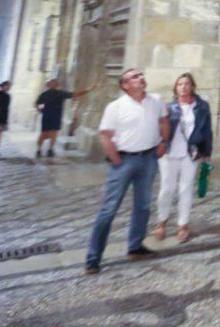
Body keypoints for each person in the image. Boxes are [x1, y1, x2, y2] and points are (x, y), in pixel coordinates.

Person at [84, 68, 169, 275]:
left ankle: (135, 246)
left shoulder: (156, 100)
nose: (140, 78)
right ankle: (93, 258)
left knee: (142, 205)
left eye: (141, 75)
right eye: (134, 77)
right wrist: (115, 158)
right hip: (124, 160)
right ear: (125, 85)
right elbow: (105, 135)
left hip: (148, 158)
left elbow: (164, 120)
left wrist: (164, 141)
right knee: (109, 209)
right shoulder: (116, 107)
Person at [154, 72, 212, 244]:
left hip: (191, 153)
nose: (183, 87)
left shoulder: (202, 107)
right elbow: (161, 129)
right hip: (169, 153)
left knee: (186, 189)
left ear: (192, 86)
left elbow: (207, 131)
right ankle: (162, 221)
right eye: (180, 84)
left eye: (186, 84)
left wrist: (207, 153)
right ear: (175, 88)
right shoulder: (169, 107)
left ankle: (183, 225)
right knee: (166, 189)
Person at [35, 78, 88, 158]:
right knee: (51, 133)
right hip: (54, 116)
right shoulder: (58, 93)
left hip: (48, 116)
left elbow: (37, 104)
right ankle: (47, 150)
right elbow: (75, 94)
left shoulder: (46, 94)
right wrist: (88, 90)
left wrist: (39, 109)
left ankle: (42, 150)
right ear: (57, 85)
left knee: (46, 133)